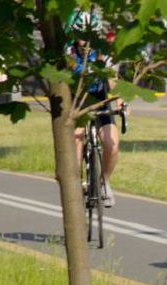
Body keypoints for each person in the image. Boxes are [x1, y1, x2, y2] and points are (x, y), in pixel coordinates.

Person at [66, 9, 122, 207]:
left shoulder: (103, 51)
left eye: (90, 34)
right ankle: (74, 183)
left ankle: (104, 181)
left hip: (100, 98)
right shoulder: (68, 52)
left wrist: (120, 100)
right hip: (77, 101)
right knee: (76, 138)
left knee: (111, 144)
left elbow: (113, 80)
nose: (85, 40)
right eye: (81, 35)